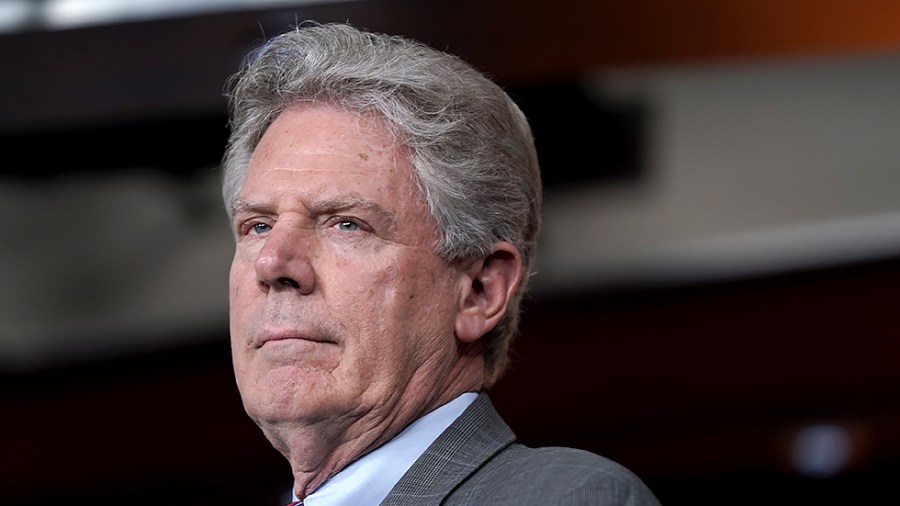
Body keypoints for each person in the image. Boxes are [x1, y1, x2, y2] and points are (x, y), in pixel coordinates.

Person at [221, 20, 662, 506]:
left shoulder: (566, 498)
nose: (272, 263)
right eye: (258, 225)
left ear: (479, 290)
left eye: (346, 223)